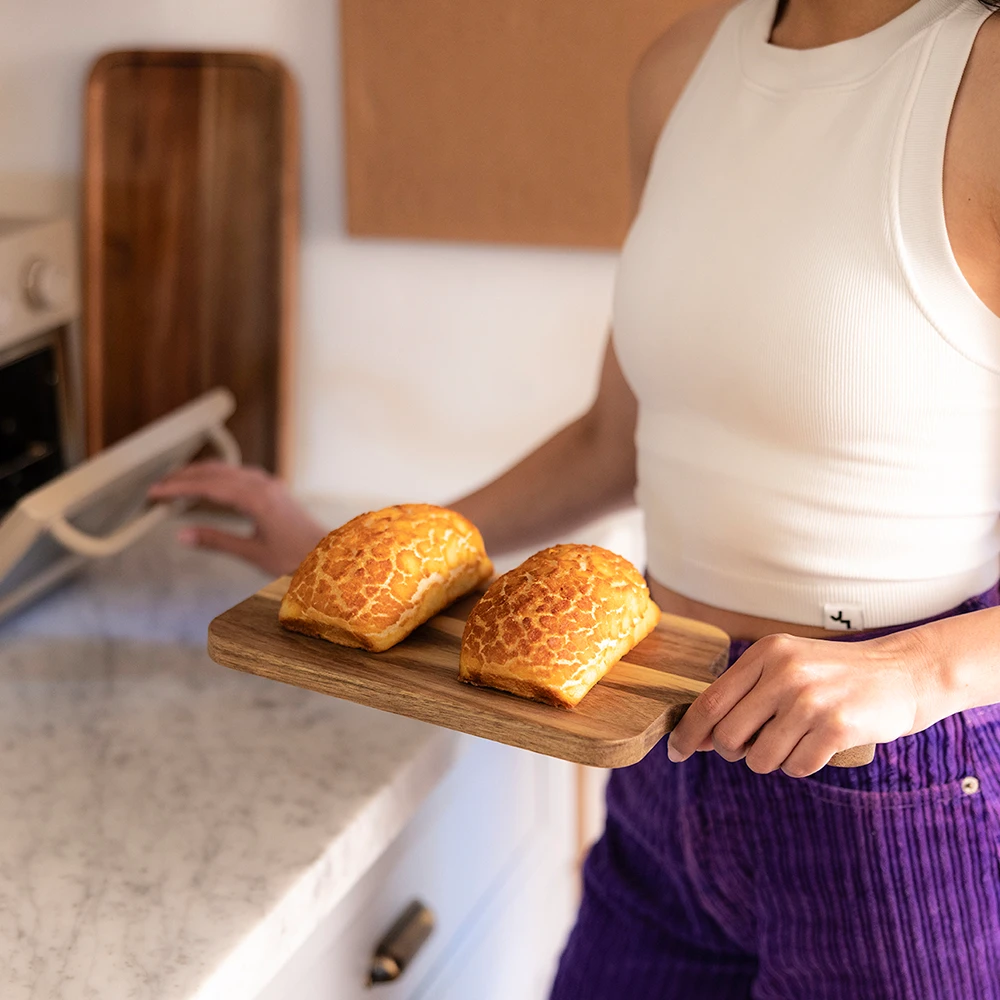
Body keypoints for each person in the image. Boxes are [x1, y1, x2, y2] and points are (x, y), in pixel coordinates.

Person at [151, 0, 1000, 994]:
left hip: (894, 791)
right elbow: (615, 441)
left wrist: (914, 671)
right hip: (653, 738)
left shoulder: (976, 81)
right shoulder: (681, 68)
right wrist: (367, 561)